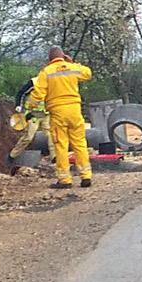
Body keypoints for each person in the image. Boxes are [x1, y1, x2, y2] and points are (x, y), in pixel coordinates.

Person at [29, 46, 94, 189]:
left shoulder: (46, 72)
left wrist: (30, 108)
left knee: (61, 145)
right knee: (80, 144)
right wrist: (73, 62)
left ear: (49, 59)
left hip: (58, 113)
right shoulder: (72, 68)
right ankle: (86, 176)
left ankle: (65, 179)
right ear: (63, 56)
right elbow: (88, 73)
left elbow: (37, 94)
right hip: (75, 111)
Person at [6, 76, 44, 174]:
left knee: (53, 136)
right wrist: (18, 105)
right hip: (33, 115)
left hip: (47, 115)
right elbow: (21, 93)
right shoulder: (34, 82)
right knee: (28, 137)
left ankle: (55, 158)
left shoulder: (54, 83)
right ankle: (12, 155)